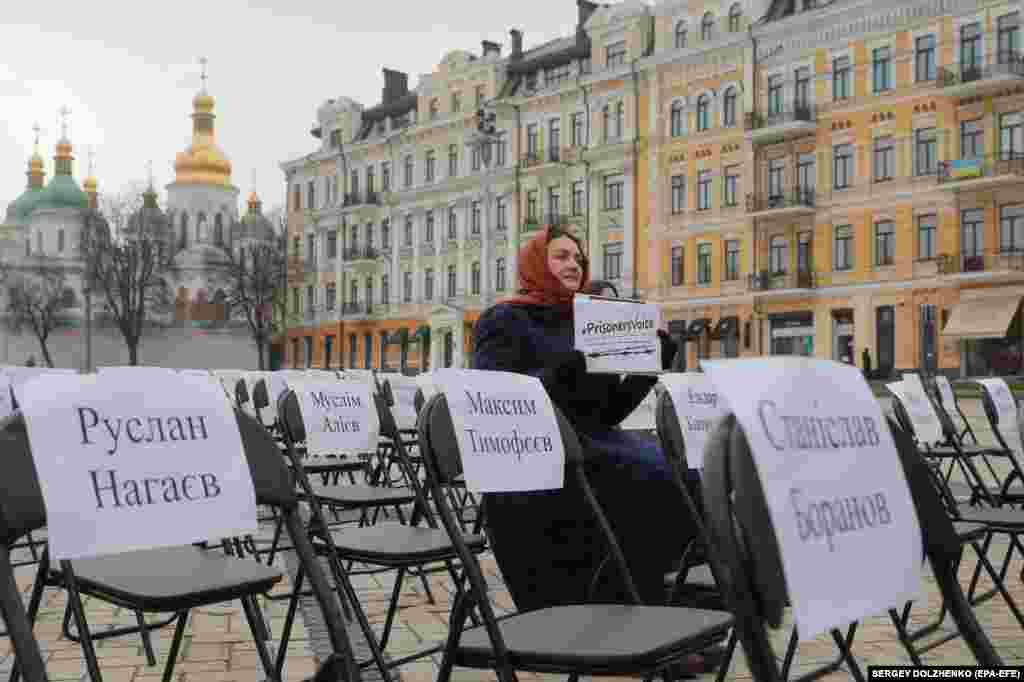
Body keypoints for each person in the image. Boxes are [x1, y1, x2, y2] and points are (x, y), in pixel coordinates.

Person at [471, 226, 704, 612]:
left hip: (593, 442)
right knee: (658, 476)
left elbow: (610, 412)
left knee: (689, 469)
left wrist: (655, 359)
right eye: (561, 255)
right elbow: (503, 401)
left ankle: (667, 601)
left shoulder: (587, 319)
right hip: (539, 457)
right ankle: (638, 607)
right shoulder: (504, 319)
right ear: (535, 262)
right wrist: (579, 359)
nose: (573, 264)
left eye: (578, 258)